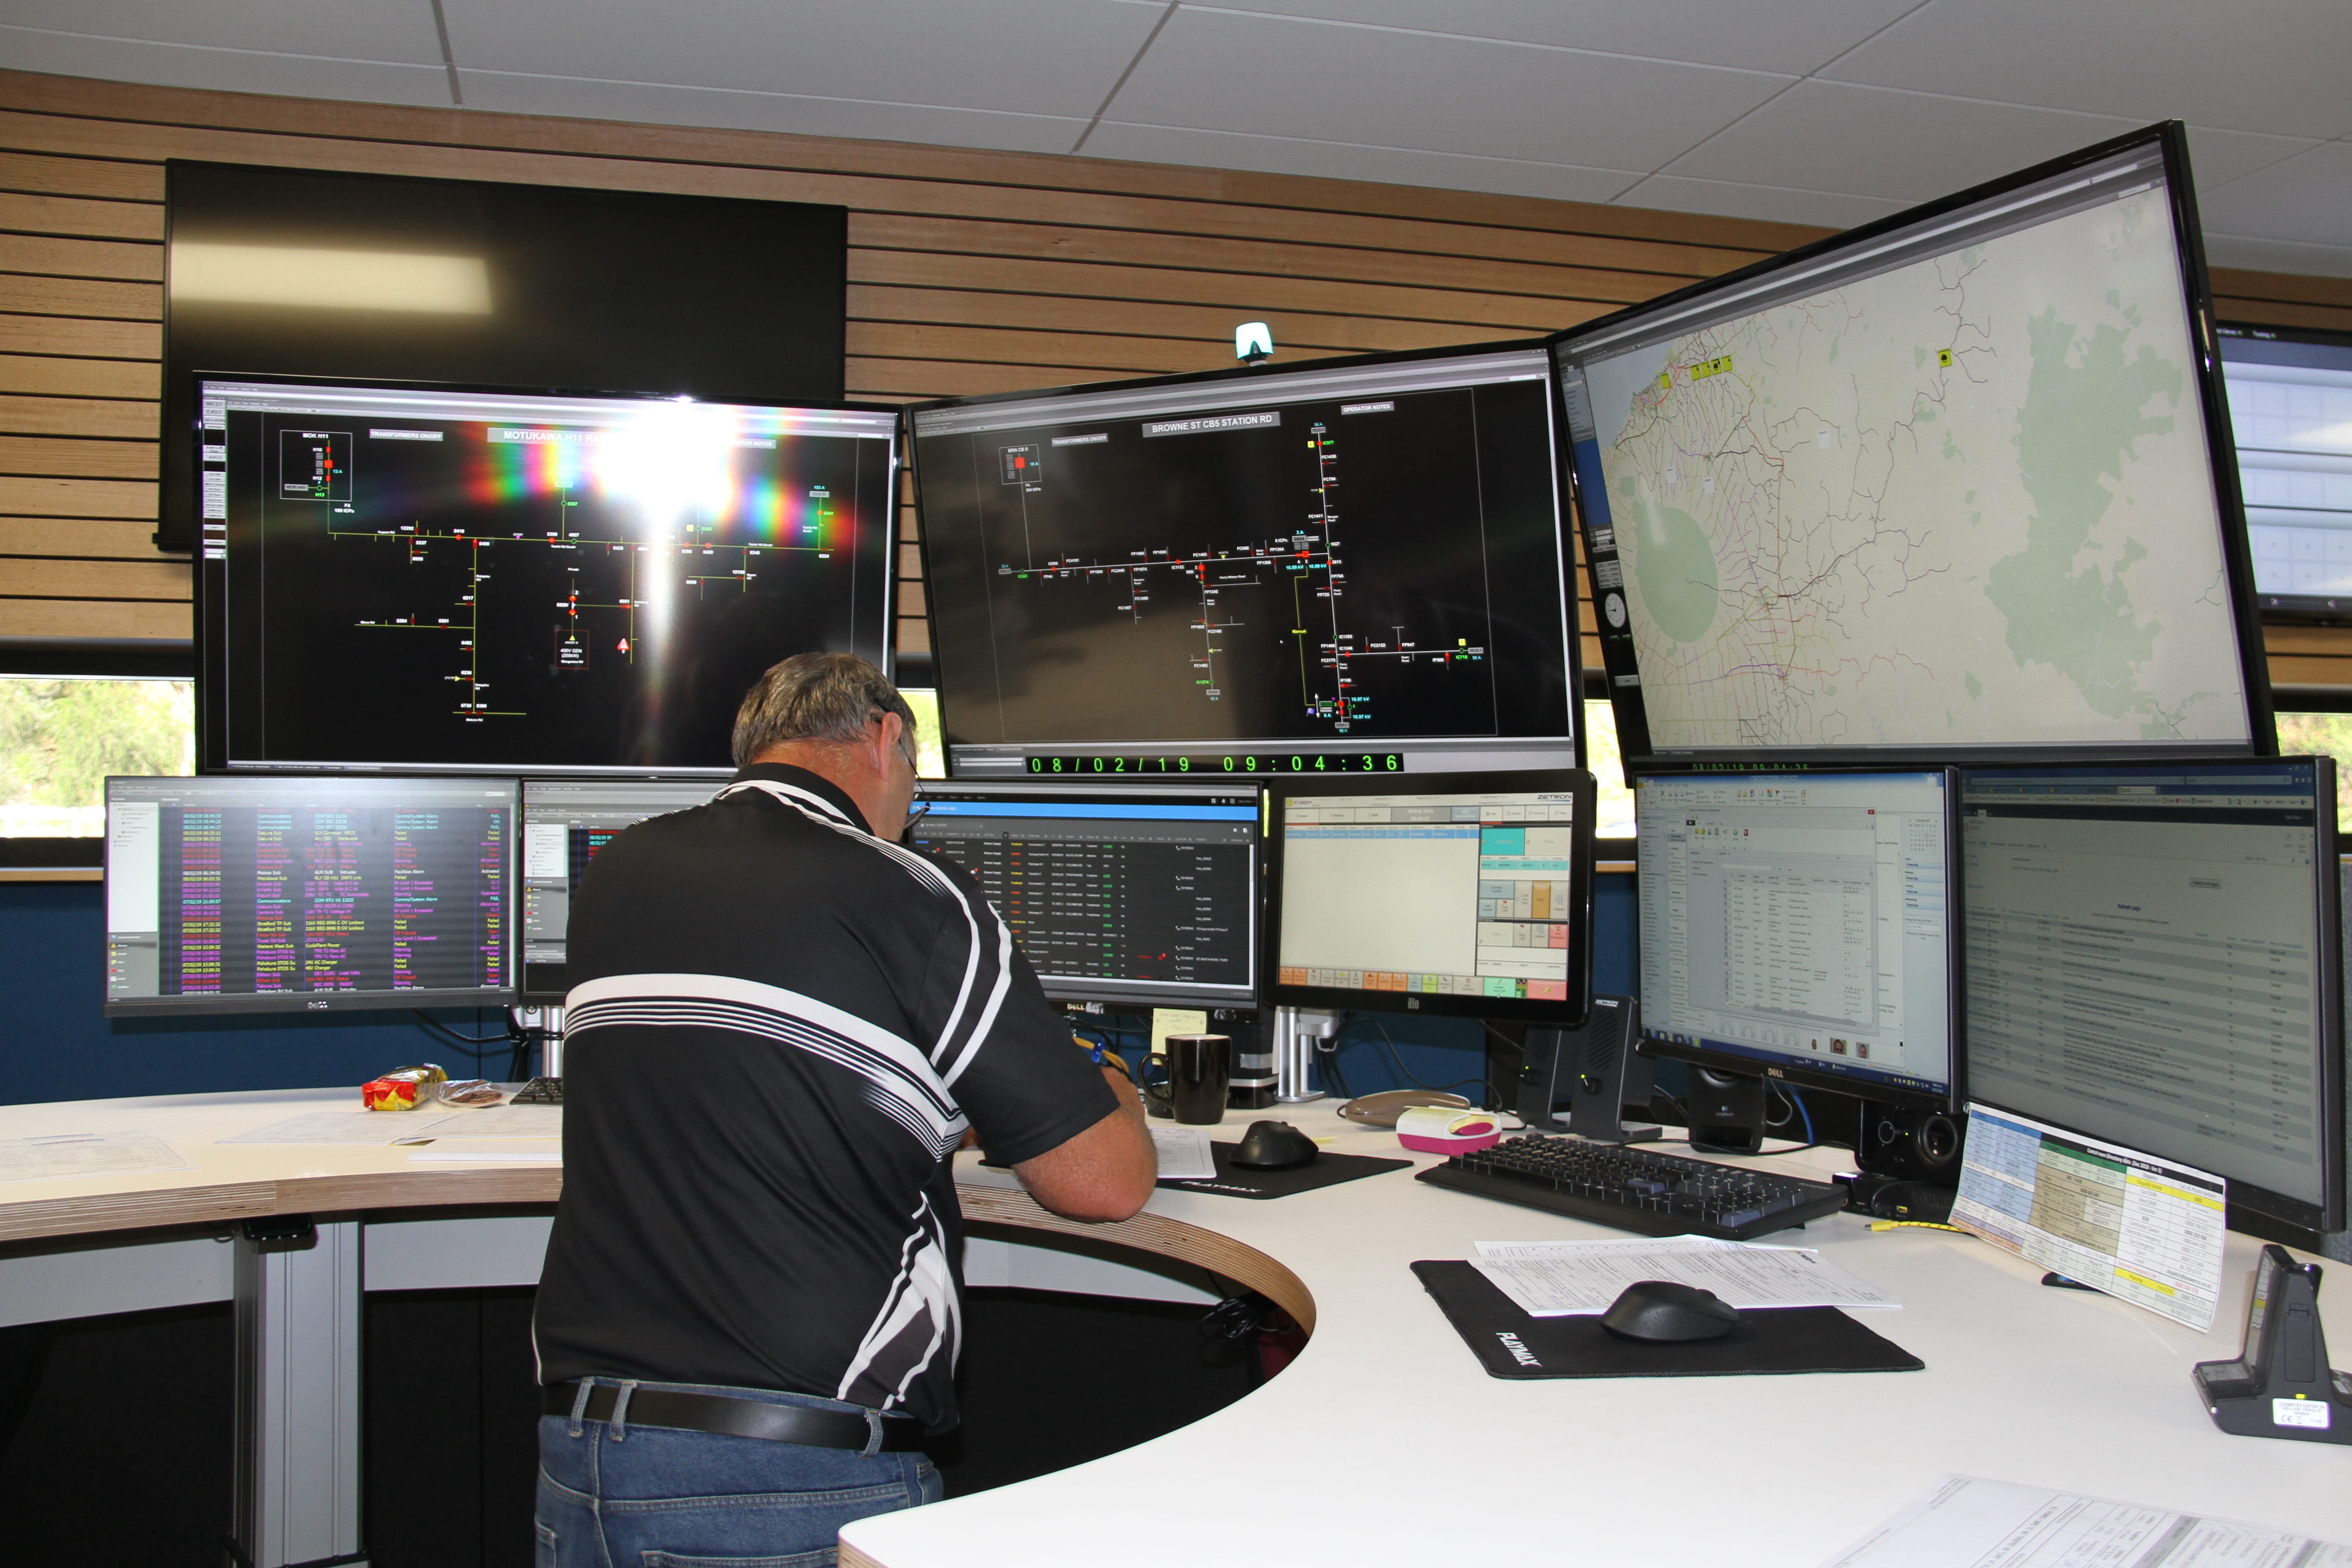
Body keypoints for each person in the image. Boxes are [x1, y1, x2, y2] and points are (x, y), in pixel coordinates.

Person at [532, 652, 1156, 1566]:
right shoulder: (911, 889)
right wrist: (1103, 1082)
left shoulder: (622, 869)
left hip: (580, 1464)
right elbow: (1100, 1184)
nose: (911, 807)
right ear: (885, 736)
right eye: (916, 783)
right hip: (785, 1482)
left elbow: (768, 1071)